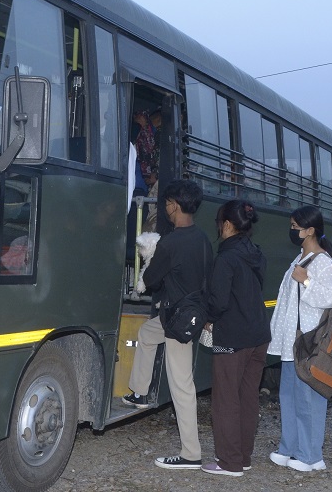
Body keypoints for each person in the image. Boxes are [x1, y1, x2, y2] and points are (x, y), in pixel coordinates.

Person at [122, 179, 214, 470]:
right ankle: (138, 392)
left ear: (174, 205)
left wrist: (150, 260)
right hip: (189, 313)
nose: (165, 207)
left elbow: (150, 281)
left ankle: (191, 453)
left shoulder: (171, 242)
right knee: (147, 334)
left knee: (181, 384)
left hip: (177, 321)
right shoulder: (202, 238)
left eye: (166, 203)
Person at [268, 205, 332, 473]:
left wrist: (308, 281)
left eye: (295, 227)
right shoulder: (299, 259)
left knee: (309, 399)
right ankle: (289, 447)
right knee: (288, 395)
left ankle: (311, 455)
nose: (292, 231)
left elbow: (331, 297)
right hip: (292, 342)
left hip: (309, 342)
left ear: (310, 230)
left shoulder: (323, 262)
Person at [201, 200, 270, 477]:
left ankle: (229, 463)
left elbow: (218, 301)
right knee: (247, 397)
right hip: (259, 334)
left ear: (227, 225)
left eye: (219, 223)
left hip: (232, 336)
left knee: (226, 398)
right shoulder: (256, 253)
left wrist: (207, 318)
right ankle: (243, 457)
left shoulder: (226, 258)